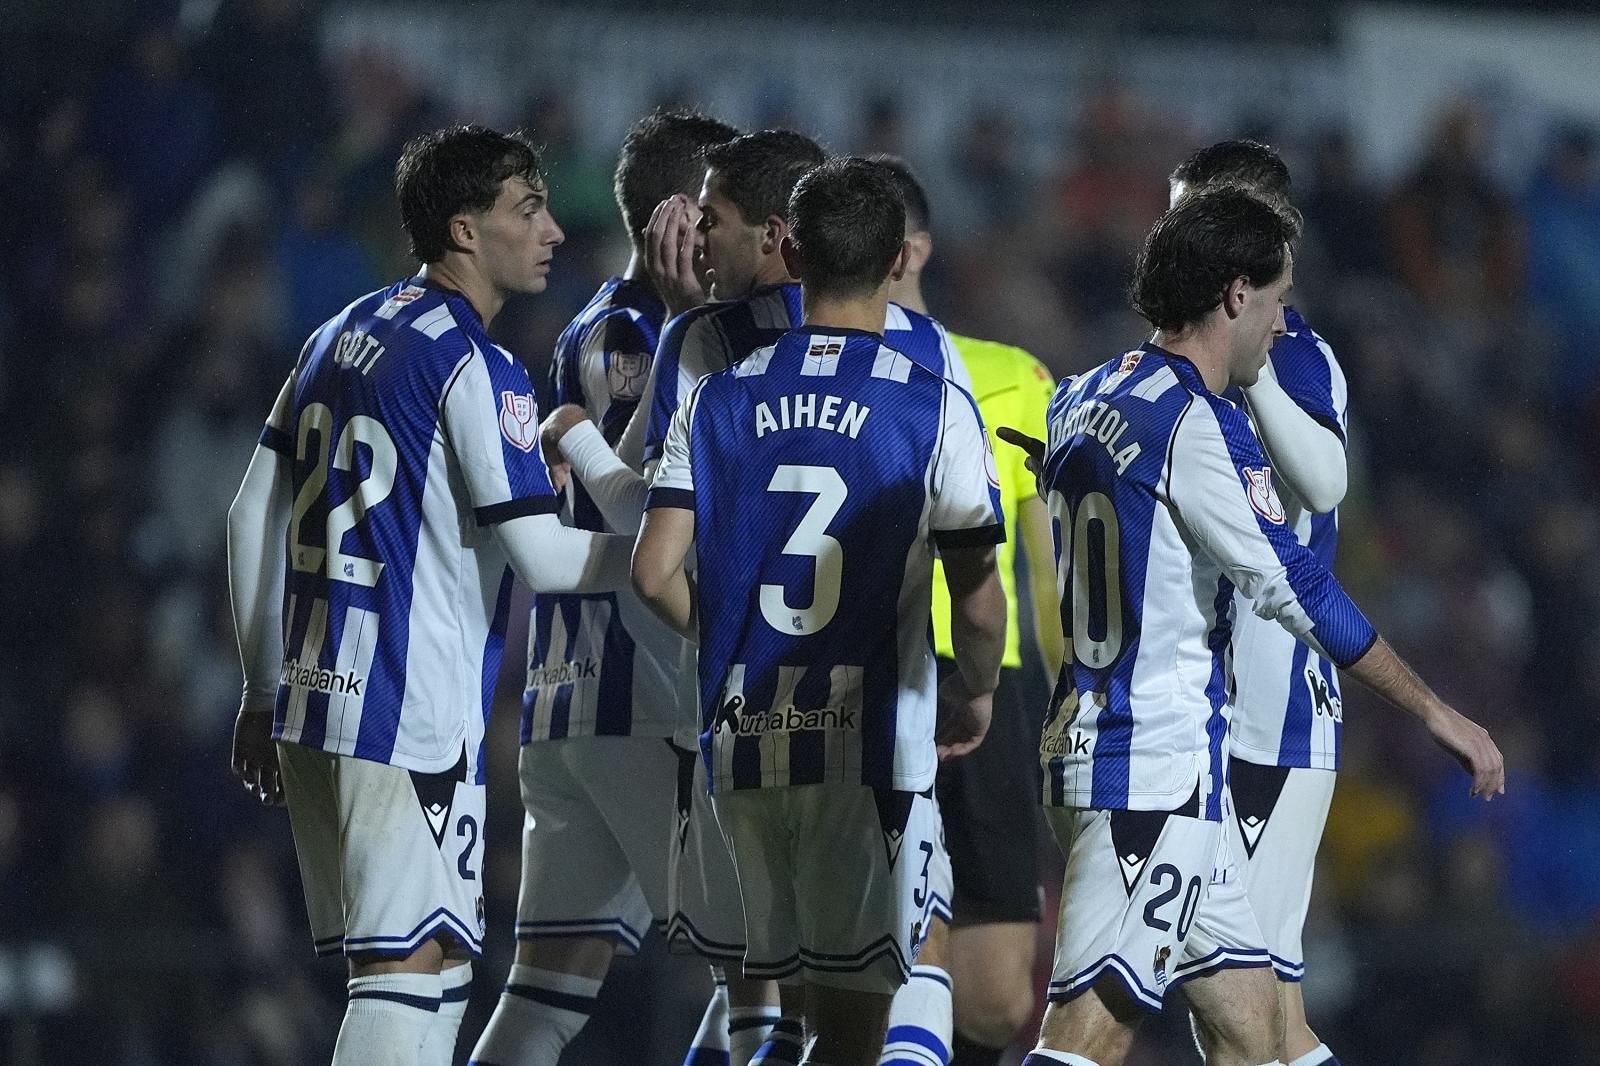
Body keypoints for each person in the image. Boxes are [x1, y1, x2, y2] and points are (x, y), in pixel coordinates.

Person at [1003, 186, 1504, 1066]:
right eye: (1275, 303)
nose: (1282, 329)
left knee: (1260, 1030)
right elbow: (1295, 585)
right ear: (1235, 294)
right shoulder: (1197, 427)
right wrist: (1436, 712)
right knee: (1086, 1034)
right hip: (1146, 770)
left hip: (1136, 759)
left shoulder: (1082, 393)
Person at [542, 128, 975, 1066]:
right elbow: (971, 561)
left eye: (715, 220)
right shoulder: (928, 358)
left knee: (770, 999)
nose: (698, 235)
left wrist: (575, 433)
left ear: (783, 235)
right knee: (901, 972)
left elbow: (646, 544)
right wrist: (971, 681)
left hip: (738, 728)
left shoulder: (704, 346)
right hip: (874, 726)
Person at [225, 124, 635, 1066]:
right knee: (406, 973)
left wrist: (258, 689)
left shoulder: (338, 333)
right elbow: (546, 560)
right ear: (463, 229)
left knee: (436, 965)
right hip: (404, 709)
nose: (552, 231)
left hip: (316, 693)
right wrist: (670, 556)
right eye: (525, 209)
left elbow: (251, 514)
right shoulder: (475, 366)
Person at [468, 109, 741, 1066]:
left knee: (542, 996)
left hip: (575, 695)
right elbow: (637, 510)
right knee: (766, 973)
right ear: (678, 215)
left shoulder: (608, 321)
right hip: (643, 697)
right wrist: (686, 326)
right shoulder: (639, 335)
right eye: (724, 207)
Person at [872, 156, 1064, 1066]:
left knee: (994, 1002)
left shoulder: (1014, 376)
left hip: (995, 688)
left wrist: (1071, 699)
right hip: (864, 678)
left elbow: (1046, 570)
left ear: (915, 246)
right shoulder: (799, 380)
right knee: (871, 963)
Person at [1169, 139, 1348, 1066]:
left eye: (1191, 217)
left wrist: (1263, 367)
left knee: (1260, 1014)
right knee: (1245, 1017)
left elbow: (1324, 481)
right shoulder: (1181, 365)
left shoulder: (1298, 356)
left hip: (1275, 715)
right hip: (1211, 711)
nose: (1173, 235)